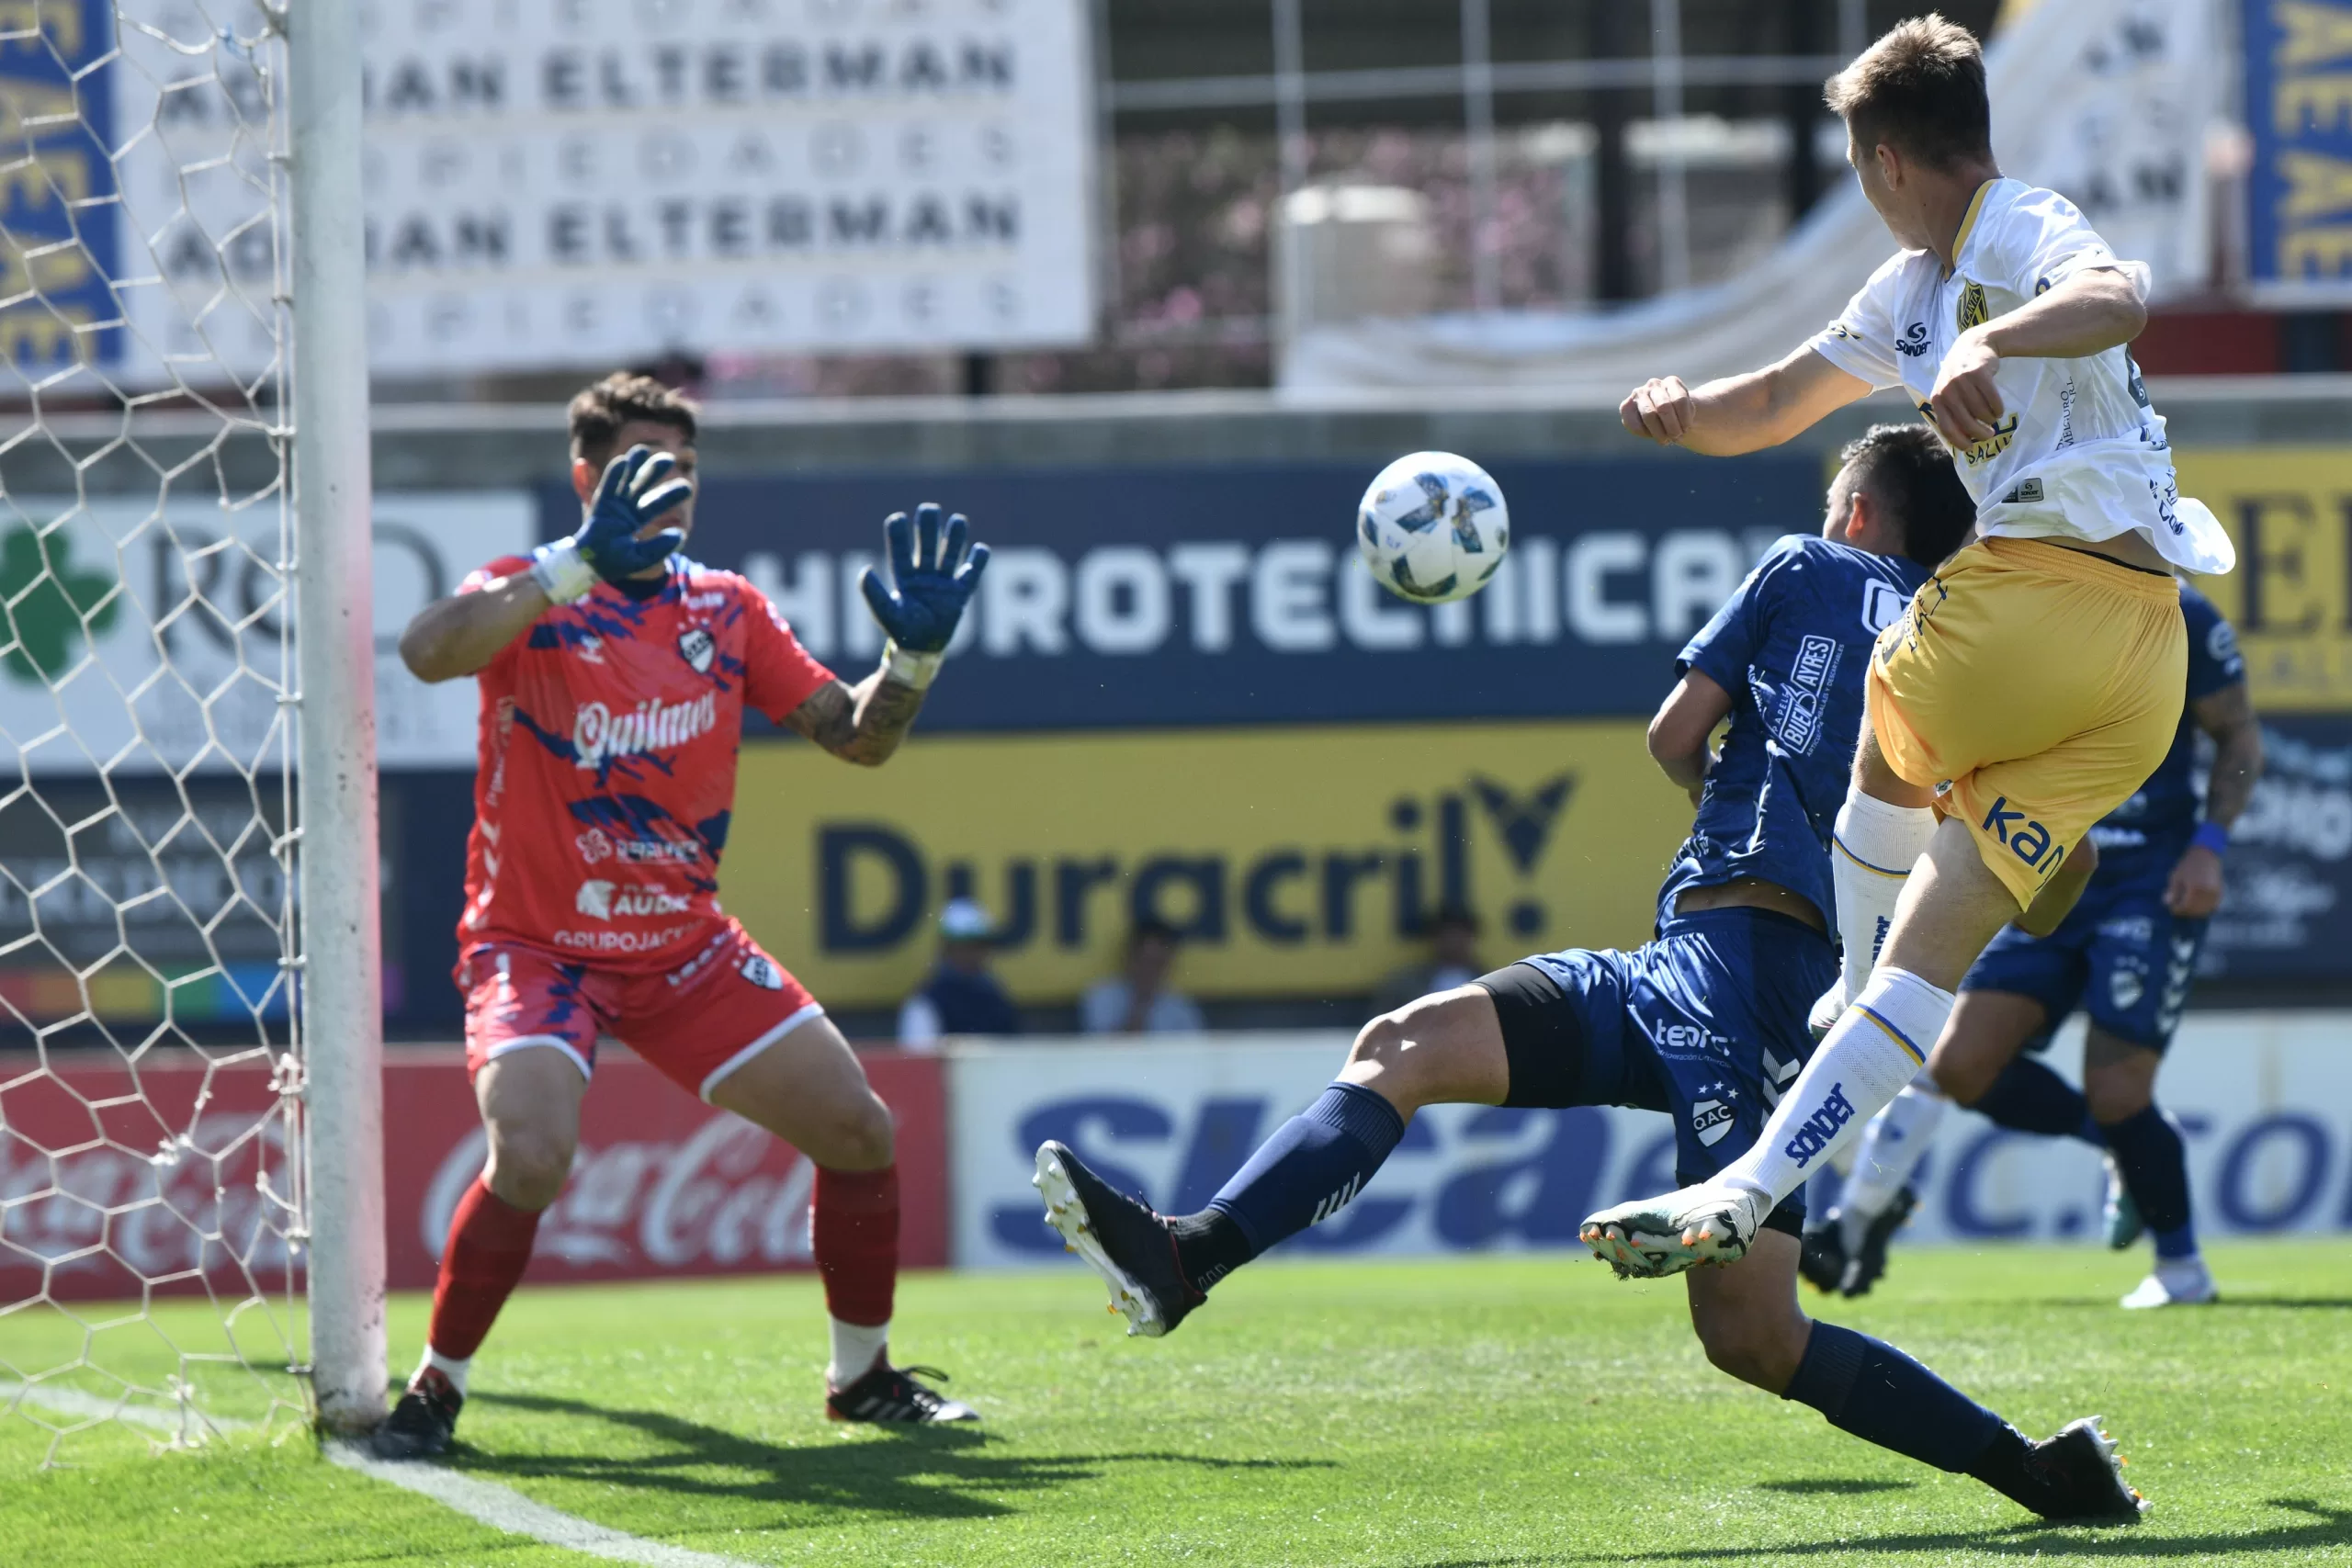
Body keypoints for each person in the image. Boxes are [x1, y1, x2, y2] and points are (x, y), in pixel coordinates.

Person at [1035, 426, 2146, 1522]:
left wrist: (1734, 783)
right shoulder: (1974, 652)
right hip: (1760, 983)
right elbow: (2065, 864)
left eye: (1833, 504)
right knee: (1728, 1316)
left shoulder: (1805, 563)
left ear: (1856, 514)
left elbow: (1673, 736)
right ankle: (1186, 1260)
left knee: (1718, 1308)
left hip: (1733, 960)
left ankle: (2037, 1476)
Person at [1581, 16, 2234, 1282]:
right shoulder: (1905, 295)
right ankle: (1752, 1184)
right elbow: (1772, 403)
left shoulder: (2018, 226)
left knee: (1892, 678)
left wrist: (1993, 339)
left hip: (2045, 597)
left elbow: (2121, 295)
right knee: (1926, 974)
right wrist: (1677, 407)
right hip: (2138, 670)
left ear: (1884, 162)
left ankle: (1851, 966)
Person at [376, 373, 989, 1458]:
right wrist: (572, 567)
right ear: (585, 478)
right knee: (531, 1154)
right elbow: (430, 651)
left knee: (859, 1132)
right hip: (536, 948)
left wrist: (914, 661)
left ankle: (863, 1380)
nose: (666, 494)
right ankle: (435, 1388)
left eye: (681, 475)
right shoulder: (529, 587)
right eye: (638, 471)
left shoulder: (727, 609)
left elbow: (859, 738)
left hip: (682, 952)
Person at [1806, 583, 2259, 1307]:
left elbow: (2237, 733)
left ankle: (2182, 1268)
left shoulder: (2182, 612)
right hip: (2037, 855)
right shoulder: (2023, 592)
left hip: (2146, 874)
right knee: (1960, 1063)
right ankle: (2124, 1145)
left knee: (2119, 1090)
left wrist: (2209, 846)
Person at [897, 897, 1022, 1047]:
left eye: (979, 945)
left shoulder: (997, 1000)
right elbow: (918, 1060)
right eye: (965, 946)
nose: (973, 954)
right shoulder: (925, 1004)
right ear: (947, 948)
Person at [1079, 919, 1204, 1034]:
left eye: (1158, 963)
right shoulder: (1101, 998)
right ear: (1129, 958)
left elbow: (1196, 1054)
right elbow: (1102, 1052)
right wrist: (1139, 1004)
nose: (1151, 971)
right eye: (1146, 962)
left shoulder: (1182, 1007)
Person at [1369, 904, 1483, 1019]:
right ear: (1434, 938)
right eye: (1446, 934)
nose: (1453, 941)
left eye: (1460, 934)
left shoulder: (1489, 981)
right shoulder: (1406, 985)